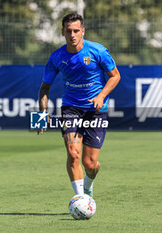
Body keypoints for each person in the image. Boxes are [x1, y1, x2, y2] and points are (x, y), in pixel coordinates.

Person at [37, 12, 120, 197]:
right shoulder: (56, 57)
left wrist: (101, 96)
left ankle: (89, 185)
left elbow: (115, 76)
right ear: (62, 32)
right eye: (69, 31)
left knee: (90, 164)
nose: (72, 34)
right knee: (73, 153)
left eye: (76, 30)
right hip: (71, 108)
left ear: (83, 31)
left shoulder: (97, 51)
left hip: (96, 110)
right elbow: (44, 88)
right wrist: (41, 116)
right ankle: (81, 198)